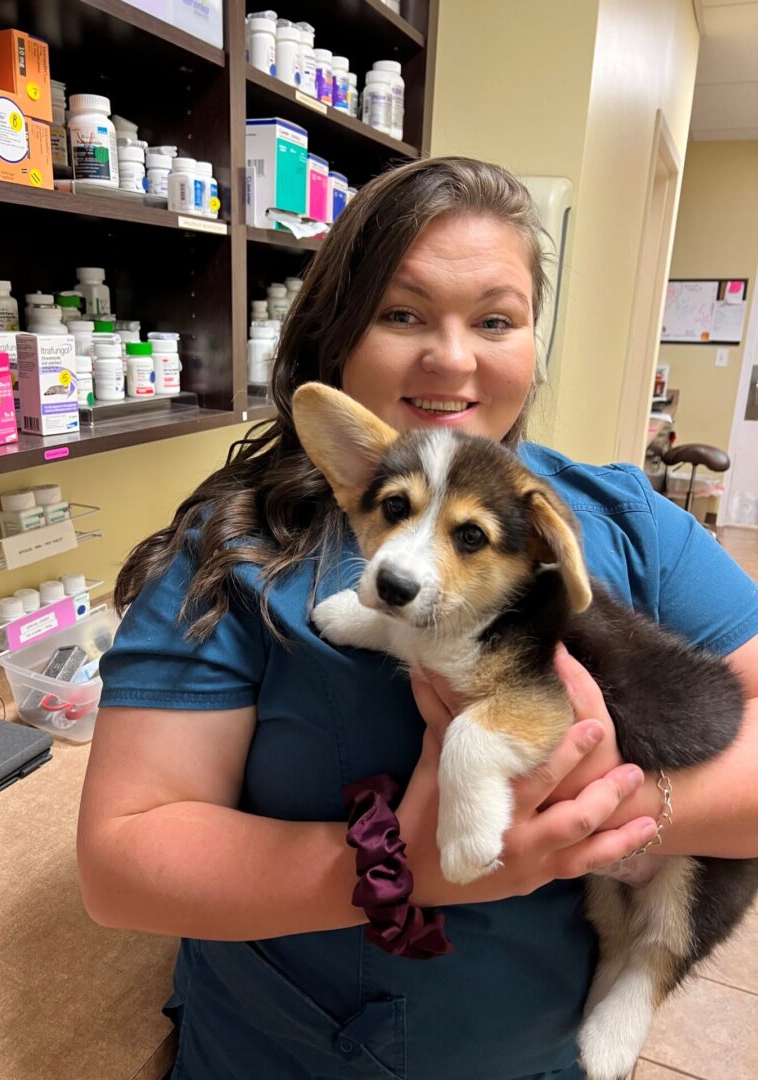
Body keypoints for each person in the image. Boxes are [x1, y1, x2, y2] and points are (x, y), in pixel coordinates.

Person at [77, 157, 758, 1080]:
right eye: (402, 314)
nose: (453, 357)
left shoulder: (627, 520)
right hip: (282, 1057)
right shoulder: (232, 551)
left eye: (495, 319)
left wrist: (616, 810)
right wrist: (407, 869)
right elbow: (122, 863)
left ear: (532, 341)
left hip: (543, 1058)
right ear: (338, 329)